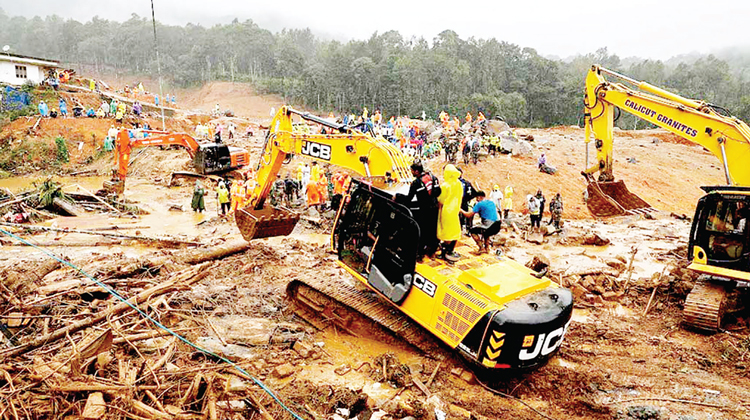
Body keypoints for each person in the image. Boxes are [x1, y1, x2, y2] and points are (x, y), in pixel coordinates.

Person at [398, 161, 441, 257]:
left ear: (416, 171)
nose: (411, 173)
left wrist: (398, 197)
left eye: (412, 171)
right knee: (432, 230)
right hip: (434, 208)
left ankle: (420, 253)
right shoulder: (433, 178)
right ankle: (432, 251)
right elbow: (438, 192)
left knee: (422, 231)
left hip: (424, 210)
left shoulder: (416, 183)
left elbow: (409, 198)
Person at [437, 164, 462, 261]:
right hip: (455, 210)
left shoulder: (445, 185)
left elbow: (441, 200)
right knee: (454, 231)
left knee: (446, 232)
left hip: (447, 211)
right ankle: (450, 250)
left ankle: (444, 253)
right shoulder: (459, 184)